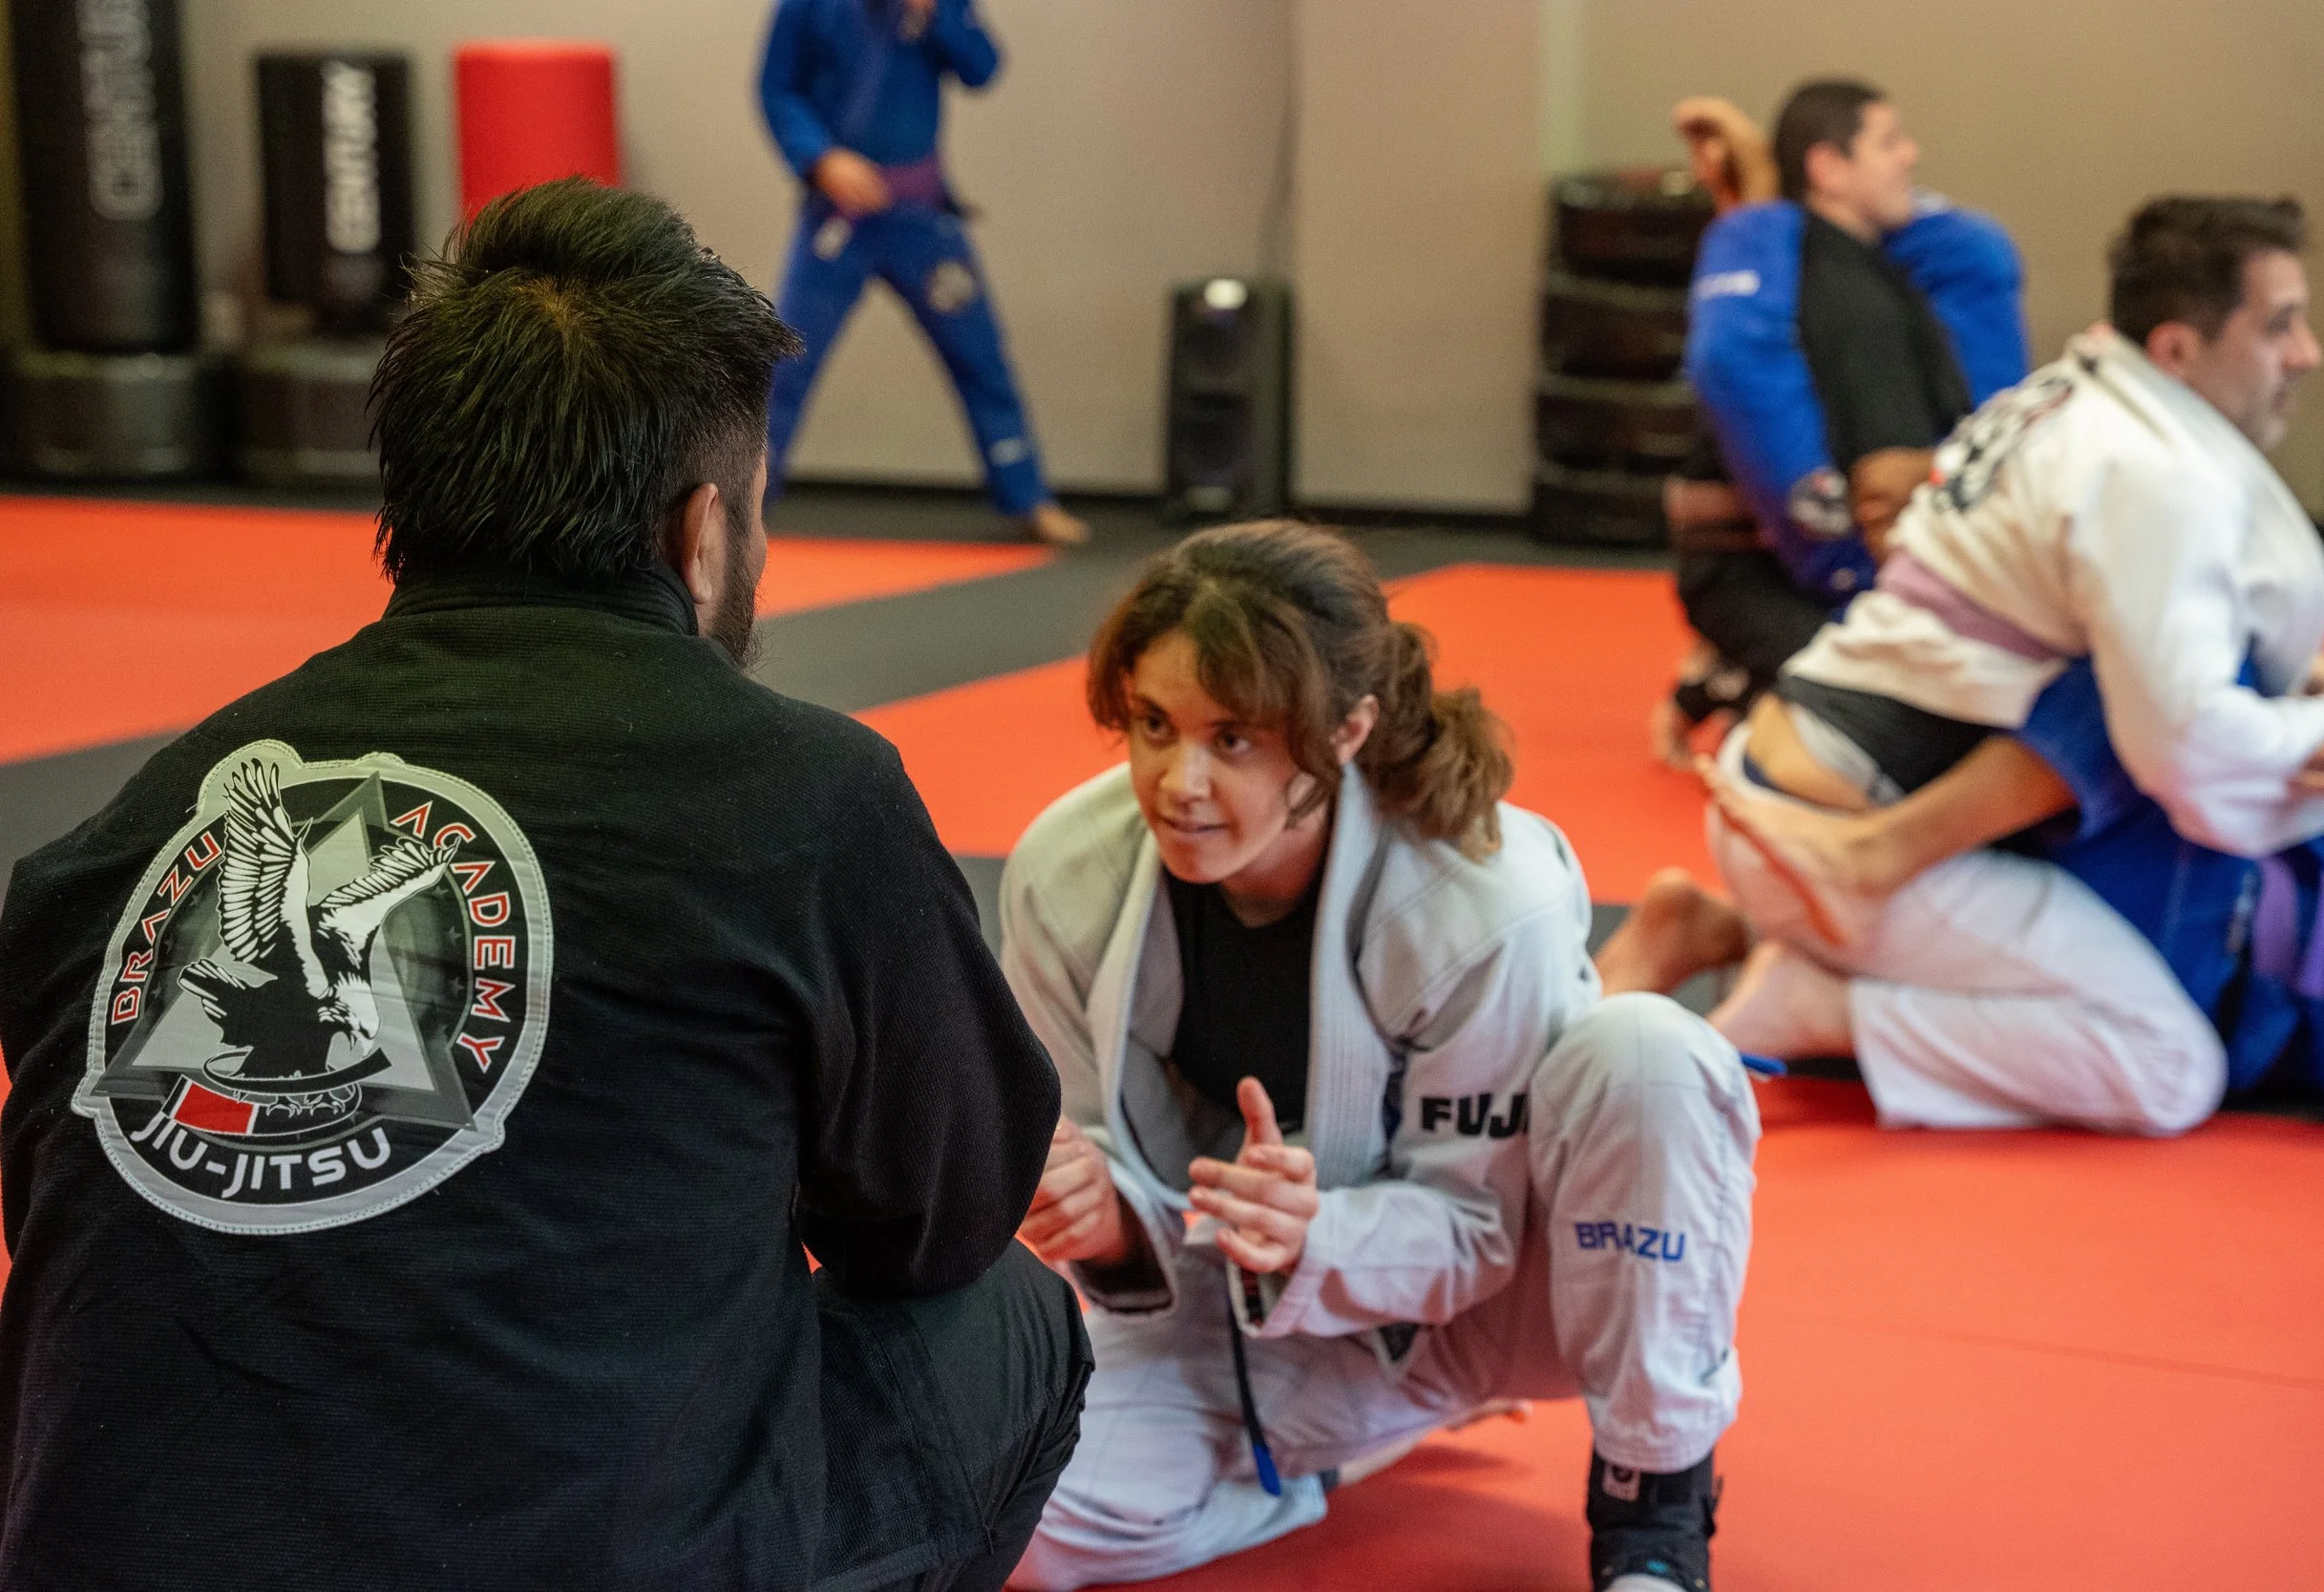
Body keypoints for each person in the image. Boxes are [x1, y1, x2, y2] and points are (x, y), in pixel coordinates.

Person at [0, 179, 1088, 1591]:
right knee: (1010, 1314)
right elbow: (942, 1215)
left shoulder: (122, 834)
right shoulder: (803, 796)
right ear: (704, 530)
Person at [995, 522, 1762, 1592]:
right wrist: (1105, 1215)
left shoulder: (1480, 895)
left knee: (1646, 1057)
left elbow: (1479, 1225)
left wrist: (1317, 1232)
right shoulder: (1063, 877)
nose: (1179, 780)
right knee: (1005, 1529)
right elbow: (1104, 1156)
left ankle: (1653, 1508)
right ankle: (1336, 1449)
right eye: (1153, 724)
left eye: (1236, 740)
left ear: (1346, 728)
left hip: (1503, 1290)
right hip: (1237, 1305)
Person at [1689, 195, 2324, 1135]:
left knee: (2145, 677)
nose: (2305, 354)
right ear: (2176, 348)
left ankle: (1723, 923)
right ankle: (1824, 1002)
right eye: (2279, 326)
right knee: (2168, 1068)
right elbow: (2186, 753)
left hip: (1794, 781)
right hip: (1833, 843)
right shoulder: (2154, 475)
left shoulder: (2070, 394)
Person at [1657, 80, 2029, 763]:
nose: (1911, 155)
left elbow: (1979, 258)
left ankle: (1729, 681)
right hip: (1778, 569)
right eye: (1888, 142)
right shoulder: (1805, 277)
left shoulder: (1891, 275)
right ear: (1828, 167)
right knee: (1915, 733)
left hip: (1860, 562)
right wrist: (1852, 571)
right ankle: (1740, 682)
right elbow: (1734, 366)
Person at [757, 0, 1088, 545]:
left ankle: (1027, 496)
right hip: (837, 219)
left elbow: (982, 68)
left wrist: (936, 15)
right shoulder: (805, 5)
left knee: (980, 356)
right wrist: (819, 158)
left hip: (922, 220)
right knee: (785, 363)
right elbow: (776, 91)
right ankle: (744, 503)